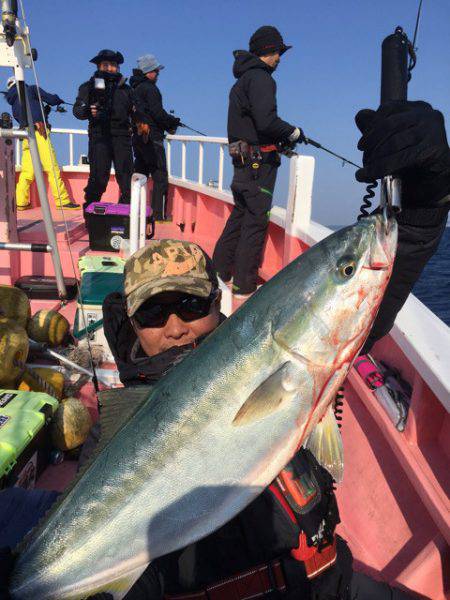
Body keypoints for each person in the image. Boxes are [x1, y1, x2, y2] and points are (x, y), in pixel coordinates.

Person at [212, 26, 305, 298]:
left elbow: (255, 124)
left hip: (242, 163)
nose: (279, 59)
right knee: (255, 223)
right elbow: (266, 121)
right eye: (278, 53)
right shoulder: (262, 79)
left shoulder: (241, 81)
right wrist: (293, 132)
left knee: (239, 217)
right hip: (258, 165)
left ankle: (218, 275)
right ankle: (244, 288)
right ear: (268, 51)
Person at [5, 77, 80, 211]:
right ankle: (62, 200)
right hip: (39, 132)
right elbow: (50, 99)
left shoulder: (13, 101)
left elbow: (25, 115)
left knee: (28, 171)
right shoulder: (31, 89)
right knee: (51, 166)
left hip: (26, 135)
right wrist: (58, 99)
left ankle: (20, 202)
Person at [73, 50, 135, 209]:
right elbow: (77, 110)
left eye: (113, 65)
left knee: (126, 177)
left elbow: (137, 113)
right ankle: (90, 212)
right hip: (99, 136)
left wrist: (140, 123)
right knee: (99, 178)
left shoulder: (127, 90)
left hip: (122, 137)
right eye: (106, 64)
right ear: (99, 66)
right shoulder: (88, 87)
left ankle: (127, 213)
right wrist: (87, 111)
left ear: (118, 67)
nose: (110, 68)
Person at [130, 54, 181, 221]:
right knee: (160, 178)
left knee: (140, 177)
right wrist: (173, 122)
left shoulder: (134, 89)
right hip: (152, 139)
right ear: (148, 72)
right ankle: (158, 216)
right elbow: (158, 114)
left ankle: (136, 214)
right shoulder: (151, 89)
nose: (158, 74)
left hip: (138, 139)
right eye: (156, 71)